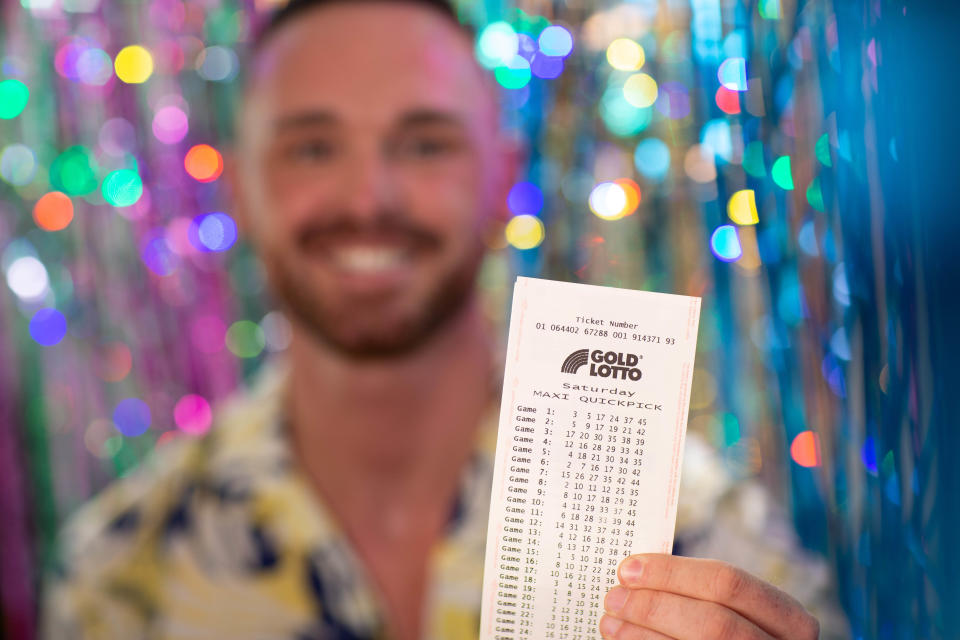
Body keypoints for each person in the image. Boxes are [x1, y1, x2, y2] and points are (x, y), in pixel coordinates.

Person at [41, 0, 848, 638]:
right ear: (243, 190)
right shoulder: (118, 579)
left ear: (502, 181)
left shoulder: (707, 536)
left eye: (424, 144)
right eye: (314, 148)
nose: (369, 199)